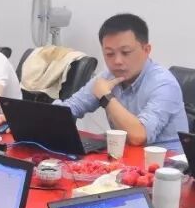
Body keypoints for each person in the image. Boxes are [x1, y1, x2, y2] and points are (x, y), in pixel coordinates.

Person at [56, 13, 187, 149]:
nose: (117, 61)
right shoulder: (107, 77)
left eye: (126, 52)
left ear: (146, 50)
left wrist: (106, 97)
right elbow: (69, 109)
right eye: (109, 54)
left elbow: (138, 136)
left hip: (165, 159)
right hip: (124, 154)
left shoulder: (164, 84)